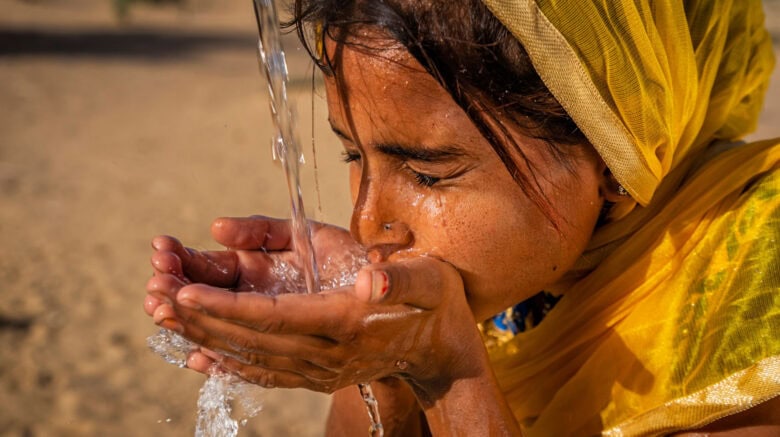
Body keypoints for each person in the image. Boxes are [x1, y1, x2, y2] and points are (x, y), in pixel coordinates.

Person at [144, 0, 780, 435]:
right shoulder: (514, 267)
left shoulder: (754, 276)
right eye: (351, 153)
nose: (368, 224)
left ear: (614, 155)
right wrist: (386, 365)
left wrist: (448, 370)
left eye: (426, 172)